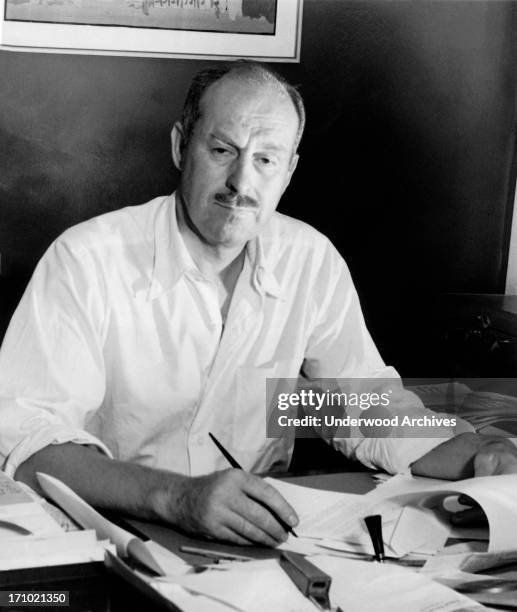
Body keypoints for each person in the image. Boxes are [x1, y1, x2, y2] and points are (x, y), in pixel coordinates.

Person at [0, 62, 516, 547]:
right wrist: (176, 497)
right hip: (113, 537)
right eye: (223, 150)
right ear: (182, 147)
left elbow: (360, 406)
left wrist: (472, 449)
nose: (241, 183)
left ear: (288, 170)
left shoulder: (308, 262)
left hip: (258, 547)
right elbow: (26, 442)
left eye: (265, 160)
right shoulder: (86, 259)